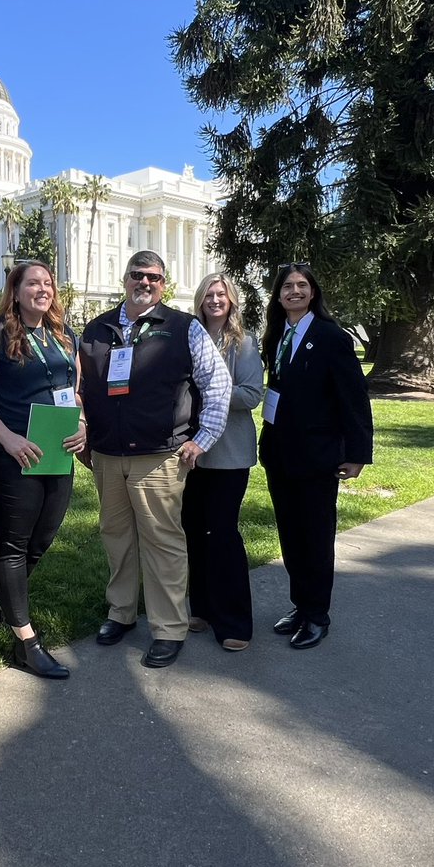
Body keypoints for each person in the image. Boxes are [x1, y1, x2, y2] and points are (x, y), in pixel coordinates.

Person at [78, 250, 231, 669]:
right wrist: (86, 433)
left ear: (164, 284)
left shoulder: (184, 327)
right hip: (108, 455)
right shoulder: (97, 329)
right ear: (125, 279)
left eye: (154, 277)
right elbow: (81, 389)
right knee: (116, 537)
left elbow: (217, 384)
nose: (144, 283)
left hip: (161, 456)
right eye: (137, 275)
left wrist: (203, 439)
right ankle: (121, 612)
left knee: (162, 543)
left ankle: (168, 628)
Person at [0, 260, 86, 680]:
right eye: (32, 283)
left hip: (57, 451)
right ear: (15, 291)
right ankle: (26, 642)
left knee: (42, 538)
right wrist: (8, 439)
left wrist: (83, 424)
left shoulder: (64, 334)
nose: (42, 289)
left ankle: (1, 605)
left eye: (48, 283)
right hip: (11, 455)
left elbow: (74, 391)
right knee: (14, 544)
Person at [259, 263, 373, 649]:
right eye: (287, 286)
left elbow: (354, 398)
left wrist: (357, 453)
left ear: (313, 292)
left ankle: (317, 615)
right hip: (279, 453)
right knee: (291, 536)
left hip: (318, 456)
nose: (294, 291)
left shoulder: (330, 337)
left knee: (316, 538)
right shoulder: (276, 335)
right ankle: (300, 604)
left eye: (302, 285)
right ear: (278, 296)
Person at [181, 273, 263, 652]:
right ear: (200, 300)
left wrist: (211, 390)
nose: (215, 300)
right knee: (194, 532)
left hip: (229, 454)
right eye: (208, 295)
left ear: (231, 300)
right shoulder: (190, 338)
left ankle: (234, 622)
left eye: (221, 294)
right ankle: (202, 608)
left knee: (223, 534)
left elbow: (251, 394)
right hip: (192, 452)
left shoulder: (243, 343)